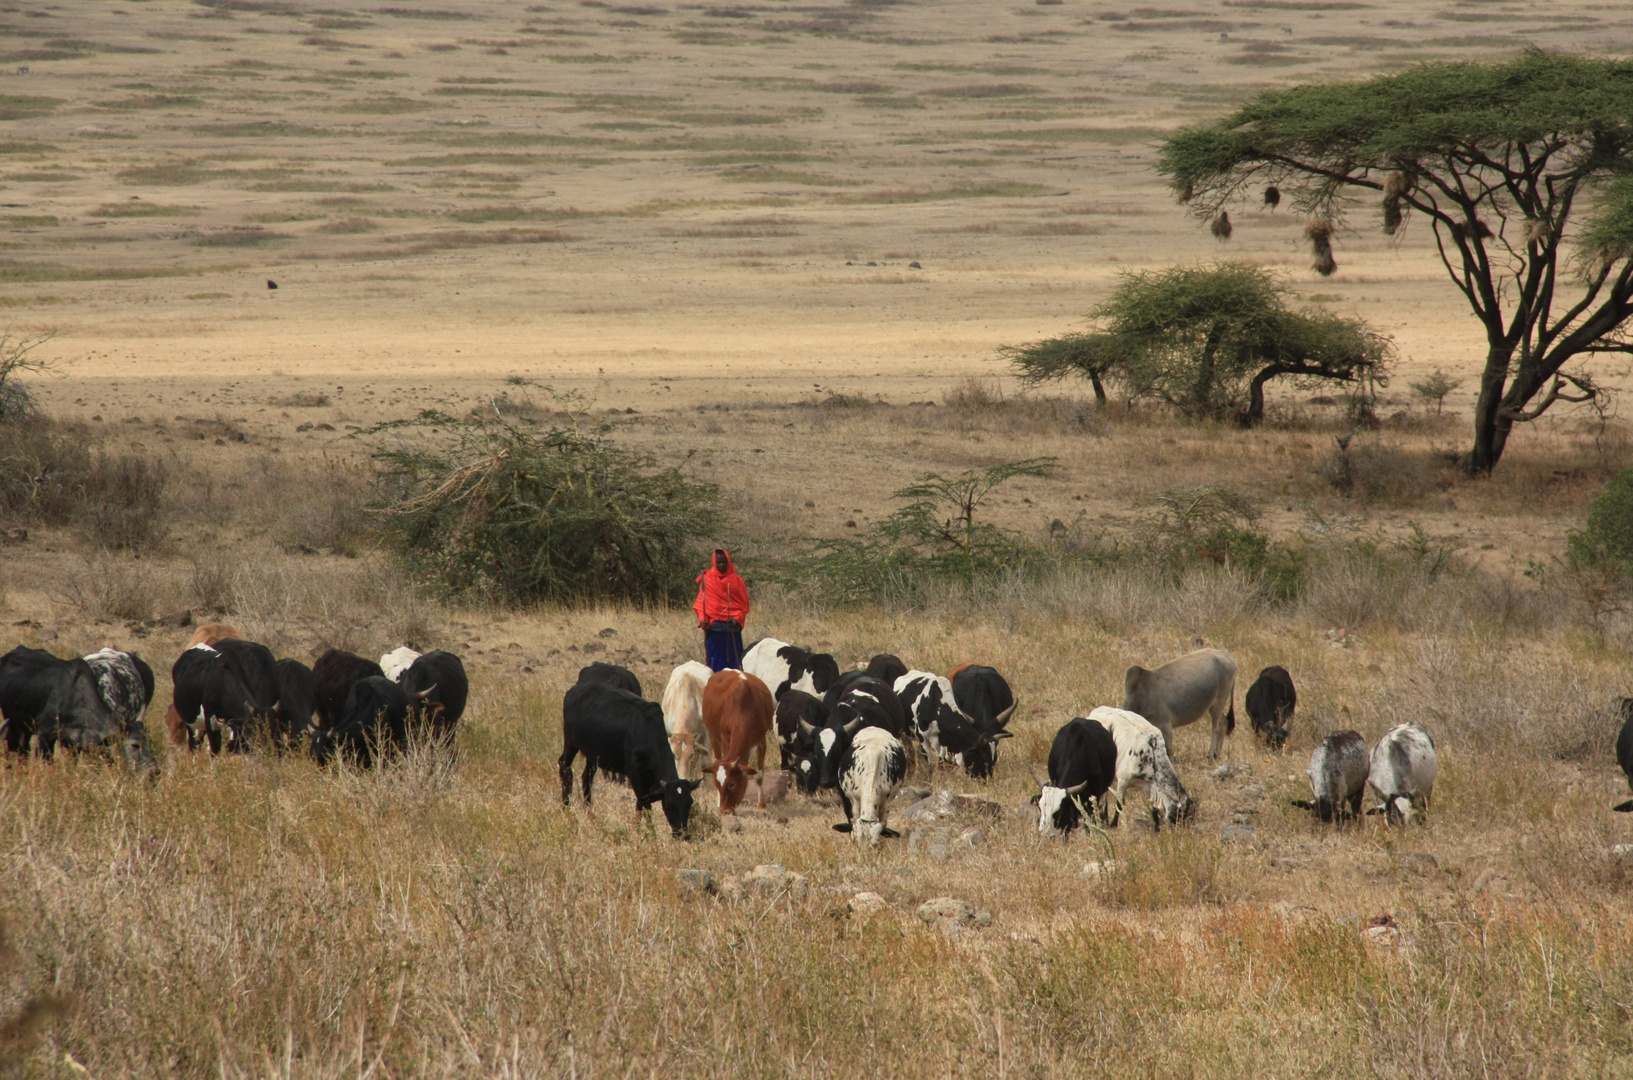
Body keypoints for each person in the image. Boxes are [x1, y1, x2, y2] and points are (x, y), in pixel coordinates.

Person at [693, 548, 749, 672]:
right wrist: (703, 620)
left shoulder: (737, 581)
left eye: (724, 562)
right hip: (714, 630)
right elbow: (701, 605)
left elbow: (743, 607)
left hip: (732, 631)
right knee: (714, 666)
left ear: (729, 562)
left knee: (735, 668)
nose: (722, 565)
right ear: (714, 563)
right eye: (719, 562)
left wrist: (735, 620)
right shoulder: (707, 579)